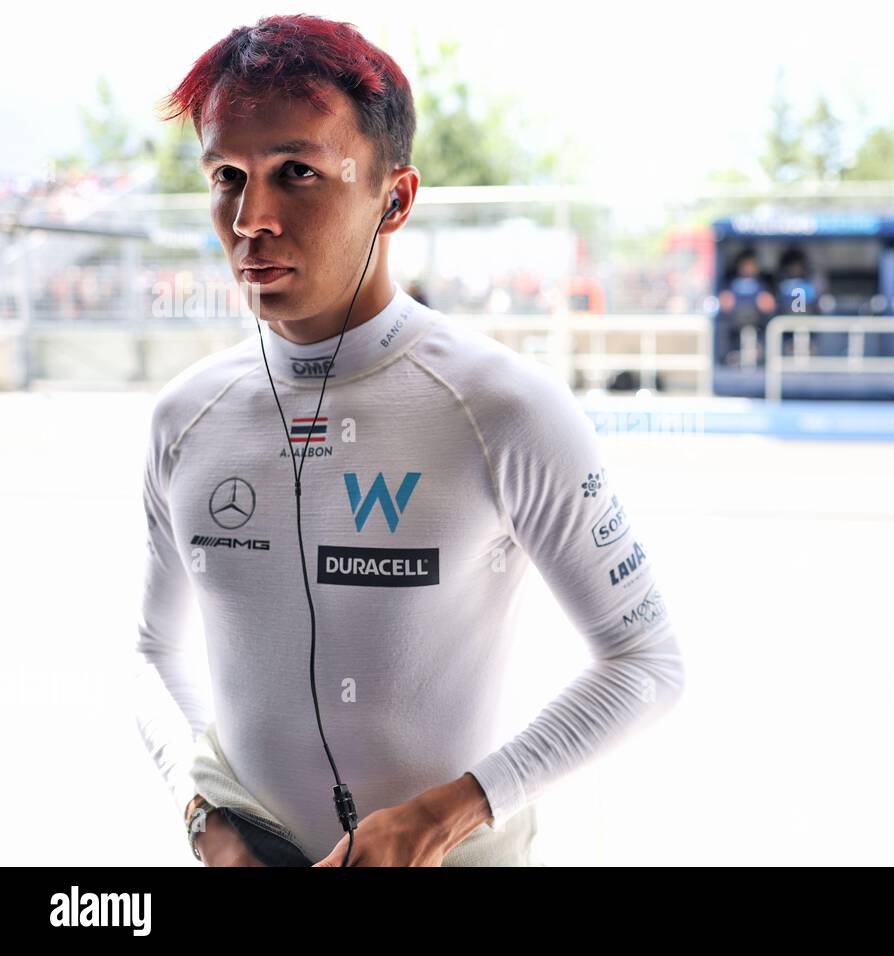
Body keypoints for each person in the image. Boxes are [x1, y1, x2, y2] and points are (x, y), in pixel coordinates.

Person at [138, 14, 686, 867]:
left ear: (394, 199)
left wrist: (446, 815)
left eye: (296, 173)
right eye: (226, 176)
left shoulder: (504, 408)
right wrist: (203, 819)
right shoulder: (185, 416)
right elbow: (151, 649)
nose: (250, 218)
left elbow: (645, 662)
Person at [717, 248, 775, 365]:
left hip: (757, 319)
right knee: (722, 326)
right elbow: (724, 300)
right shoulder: (731, 281)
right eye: (745, 264)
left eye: (751, 264)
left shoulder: (763, 281)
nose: (748, 267)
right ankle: (730, 355)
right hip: (734, 320)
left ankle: (760, 354)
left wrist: (764, 302)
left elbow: (769, 303)